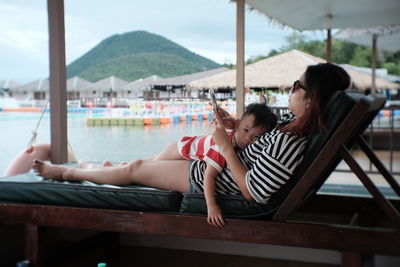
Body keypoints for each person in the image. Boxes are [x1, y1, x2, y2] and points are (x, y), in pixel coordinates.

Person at [29, 63, 350, 227]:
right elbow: (257, 146)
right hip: (215, 169)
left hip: (216, 180)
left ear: (310, 100)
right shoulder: (288, 127)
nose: (291, 89)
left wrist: (225, 148)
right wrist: (236, 128)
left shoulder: (290, 143)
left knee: (138, 168)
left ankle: (68, 174)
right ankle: (89, 167)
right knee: (142, 164)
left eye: (297, 85)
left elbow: (255, 191)